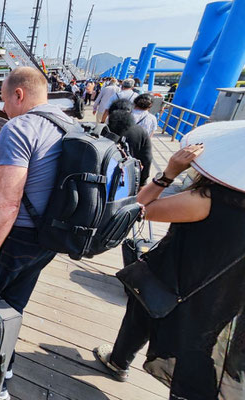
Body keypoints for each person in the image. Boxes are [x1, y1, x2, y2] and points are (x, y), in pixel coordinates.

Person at [95, 124, 245, 399]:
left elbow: (135, 208)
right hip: (227, 295)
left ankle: (119, 362)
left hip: (177, 282)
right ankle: (118, 360)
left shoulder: (208, 200)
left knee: (183, 351)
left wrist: (168, 174)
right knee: (193, 343)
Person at [0, 66, 70, 400]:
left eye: (4, 101)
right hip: (49, 237)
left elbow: (7, 205)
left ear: (18, 94)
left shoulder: (19, 129)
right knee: (15, 306)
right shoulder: (68, 125)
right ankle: (5, 367)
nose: (4, 109)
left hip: (16, 238)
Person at [107, 99, 152, 187]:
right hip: (130, 176)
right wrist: (142, 182)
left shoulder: (102, 130)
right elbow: (147, 158)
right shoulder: (141, 131)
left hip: (105, 176)